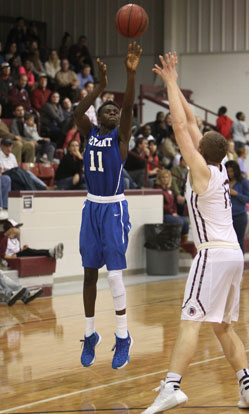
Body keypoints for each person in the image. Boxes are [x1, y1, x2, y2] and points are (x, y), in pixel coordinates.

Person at [141, 52, 247, 413]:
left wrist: (171, 84)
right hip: (234, 255)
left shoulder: (201, 172)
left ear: (201, 151)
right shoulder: (216, 169)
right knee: (221, 327)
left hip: (213, 254)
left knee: (190, 320)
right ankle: (247, 386)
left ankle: (172, 387)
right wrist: (173, 80)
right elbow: (188, 120)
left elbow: (179, 126)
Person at [74, 42, 142, 370]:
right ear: (99, 114)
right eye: (108, 108)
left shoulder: (121, 139)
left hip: (114, 209)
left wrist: (130, 75)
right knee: (89, 274)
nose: (113, 111)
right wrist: (99, 88)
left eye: (116, 111)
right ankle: (90, 334)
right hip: (91, 209)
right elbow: (77, 113)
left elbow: (128, 108)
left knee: (114, 277)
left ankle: (123, 335)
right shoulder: (89, 134)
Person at [155, 168, 189, 244]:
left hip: (172, 213)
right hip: (164, 214)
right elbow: (161, 206)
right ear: (160, 179)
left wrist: (175, 212)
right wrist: (172, 213)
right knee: (179, 221)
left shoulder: (169, 189)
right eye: (163, 177)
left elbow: (173, 204)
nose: (165, 179)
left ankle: (182, 244)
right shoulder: (158, 190)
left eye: (167, 177)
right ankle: (175, 242)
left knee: (186, 221)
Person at [225, 160, 249, 253]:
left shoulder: (243, 182)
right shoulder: (224, 182)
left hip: (239, 216)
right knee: (227, 243)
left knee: (239, 241)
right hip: (226, 216)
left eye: (231, 171)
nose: (230, 173)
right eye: (228, 171)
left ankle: (240, 264)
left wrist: (236, 194)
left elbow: (248, 198)